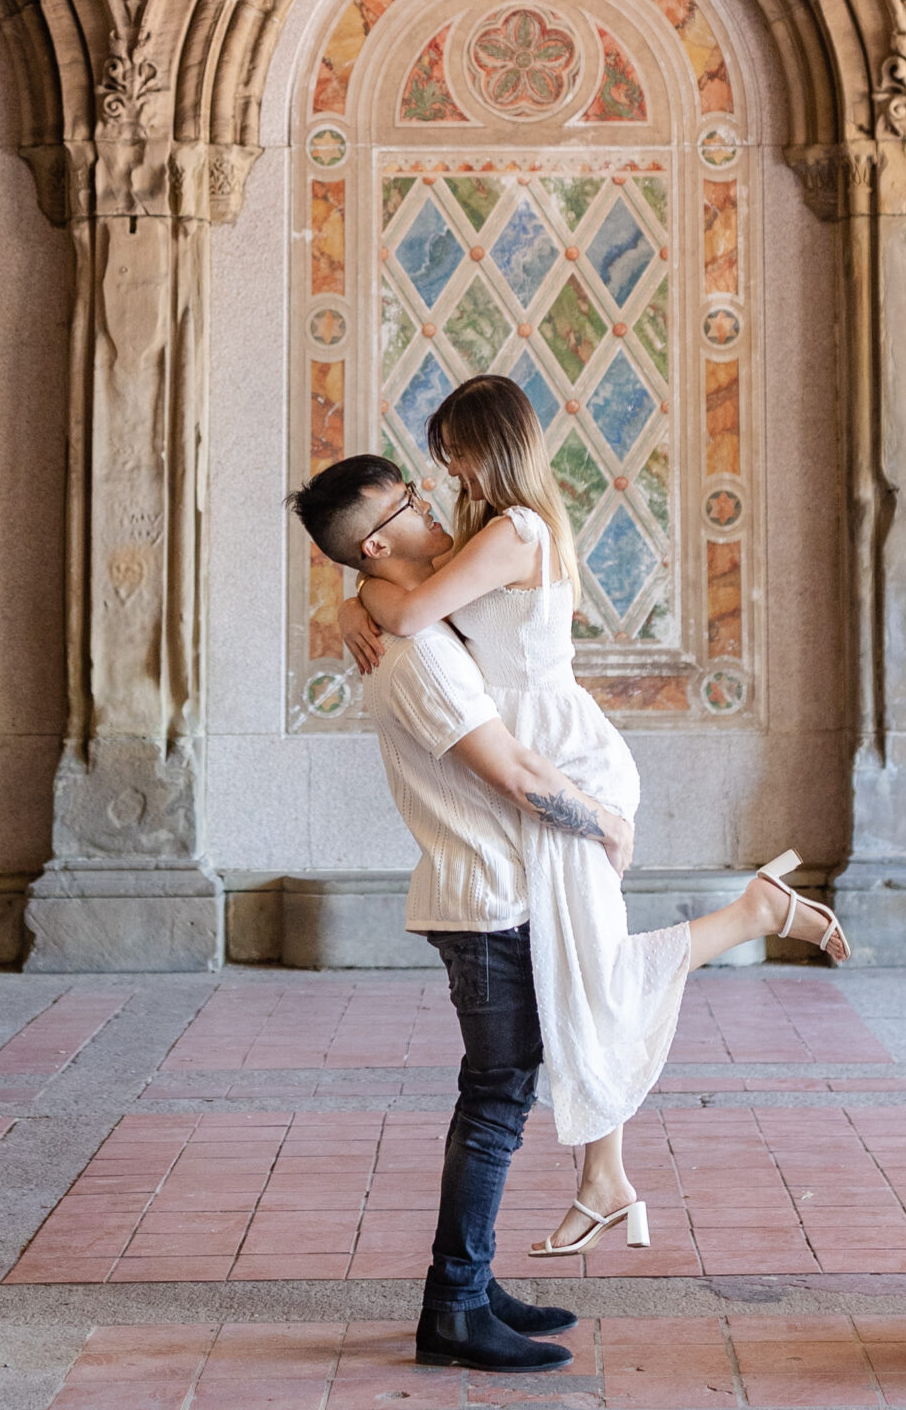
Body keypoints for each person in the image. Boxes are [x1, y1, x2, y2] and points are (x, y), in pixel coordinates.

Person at [336, 375, 849, 1262]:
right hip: (539, 756)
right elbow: (417, 597)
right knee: (583, 968)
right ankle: (603, 1181)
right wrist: (352, 598)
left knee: (591, 973)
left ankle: (756, 914)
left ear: (482, 446)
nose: (440, 469)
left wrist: (355, 600)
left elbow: (412, 608)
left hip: (562, 762)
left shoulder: (514, 531)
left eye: (448, 450)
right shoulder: (488, 533)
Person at [288, 452, 632, 1374]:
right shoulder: (418, 655)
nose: (430, 504)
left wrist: (350, 604)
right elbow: (514, 774)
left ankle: (472, 1287)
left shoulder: (416, 622)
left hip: (491, 893)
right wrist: (606, 824)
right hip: (485, 902)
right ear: (376, 539)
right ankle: (453, 1307)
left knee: (500, 1098)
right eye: (408, 500)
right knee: (494, 1105)